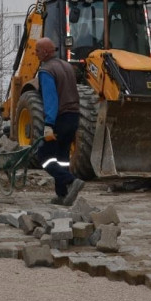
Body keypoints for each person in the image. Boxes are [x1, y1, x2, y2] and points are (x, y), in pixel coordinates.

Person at [35, 37, 85, 206]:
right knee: (62, 157)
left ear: (45, 52)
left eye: (37, 51)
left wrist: (48, 124)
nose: (35, 54)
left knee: (44, 156)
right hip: (74, 116)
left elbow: (51, 99)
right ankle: (62, 195)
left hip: (59, 118)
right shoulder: (67, 66)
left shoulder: (46, 71)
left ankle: (70, 181)